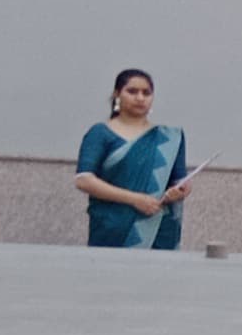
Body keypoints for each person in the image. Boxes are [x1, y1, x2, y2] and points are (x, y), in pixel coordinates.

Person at [75, 69, 190, 250]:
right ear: (117, 94)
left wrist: (179, 191)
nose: (140, 98)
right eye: (132, 91)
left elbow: (180, 181)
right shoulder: (100, 133)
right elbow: (83, 180)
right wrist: (135, 199)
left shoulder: (168, 138)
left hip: (157, 231)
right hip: (112, 229)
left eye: (146, 93)